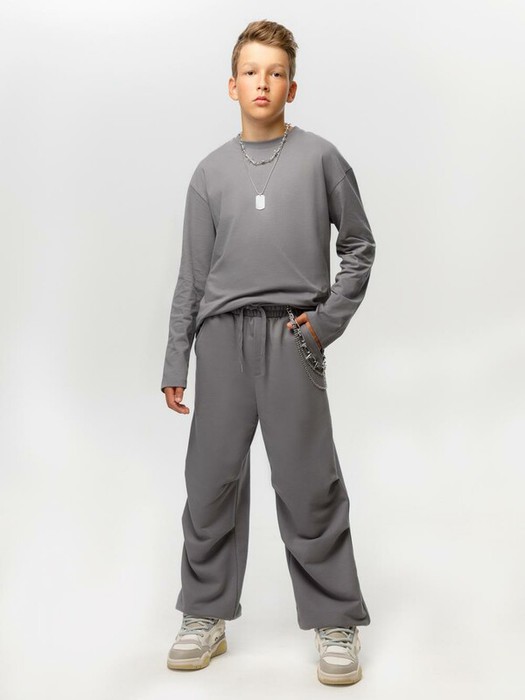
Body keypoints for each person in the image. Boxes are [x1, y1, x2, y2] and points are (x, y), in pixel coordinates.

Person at [161, 19, 376, 686]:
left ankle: (335, 621)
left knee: (310, 483)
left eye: (275, 73)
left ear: (291, 86)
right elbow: (193, 276)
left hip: (292, 339)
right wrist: (176, 359)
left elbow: (359, 247)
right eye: (251, 72)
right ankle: (204, 615)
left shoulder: (321, 160)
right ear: (232, 85)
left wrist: (324, 324)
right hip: (221, 342)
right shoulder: (209, 174)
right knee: (210, 483)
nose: (263, 83)